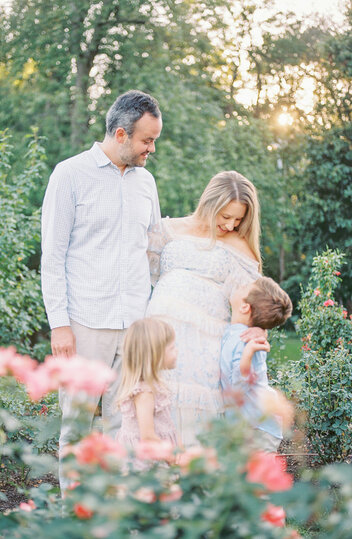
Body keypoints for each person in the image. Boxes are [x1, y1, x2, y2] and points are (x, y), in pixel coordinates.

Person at [41, 90, 162, 489]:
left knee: (123, 427)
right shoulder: (70, 175)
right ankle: (71, 520)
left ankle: (115, 519)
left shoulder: (146, 183)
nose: (152, 149)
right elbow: (53, 256)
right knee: (76, 429)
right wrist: (59, 325)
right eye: (147, 140)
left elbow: (154, 251)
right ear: (122, 134)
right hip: (85, 324)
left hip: (134, 328)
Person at [146, 170, 263, 447]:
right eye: (225, 216)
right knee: (157, 408)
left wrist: (255, 330)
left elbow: (253, 300)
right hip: (161, 337)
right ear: (209, 204)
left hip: (206, 346)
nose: (232, 224)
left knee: (196, 421)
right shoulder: (168, 230)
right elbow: (143, 280)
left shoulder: (238, 244)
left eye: (239, 219)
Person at [220, 276, 293, 452]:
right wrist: (263, 328)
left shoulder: (250, 342)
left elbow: (238, 388)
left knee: (256, 477)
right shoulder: (240, 332)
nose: (240, 284)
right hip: (251, 424)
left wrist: (247, 355)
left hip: (258, 427)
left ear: (245, 307)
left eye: (244, 286)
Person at [116, 317, 178, 470]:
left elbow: (167, 424)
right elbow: (148, 437)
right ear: (154, 355)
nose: (177, 351)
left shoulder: (153, 386)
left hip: (160, 451)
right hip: (146, 462)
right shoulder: (144, 393)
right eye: (172, 348)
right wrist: (174, 460)